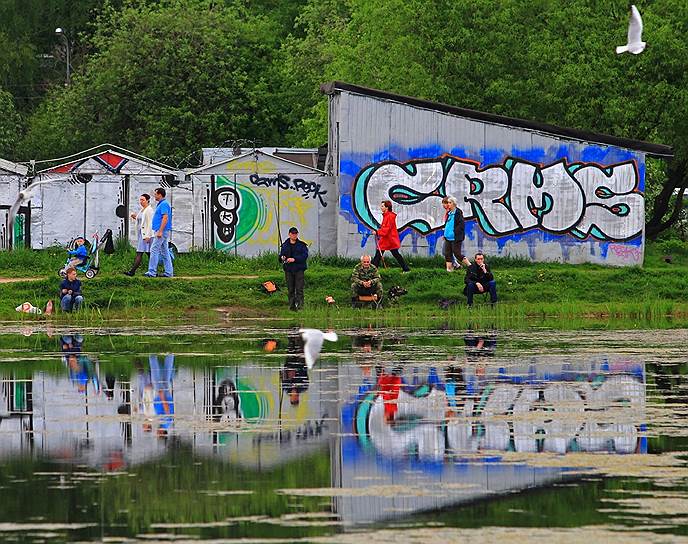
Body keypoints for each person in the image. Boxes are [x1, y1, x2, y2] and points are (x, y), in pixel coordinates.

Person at [373, 200, 410, 272]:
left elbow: (386, 229)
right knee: (381, 254)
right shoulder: (386, 216)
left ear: (387, 207)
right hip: (387, 239)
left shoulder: (389, 217)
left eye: (382, 206)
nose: (381, 207)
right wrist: (378, 232)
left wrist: (377, 232)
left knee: (380, 254)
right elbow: (385, 228)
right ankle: (406, 269)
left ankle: (406, 269)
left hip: (389, 239)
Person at [144, 188, 173, 278]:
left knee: (154, 249)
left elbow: (165, 218)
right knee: (165, 251)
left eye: (155, 194)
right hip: (161, 230)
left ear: (160, 195)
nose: (154, 196)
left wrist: (160, 231)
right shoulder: (161, 204)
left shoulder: (164, 204)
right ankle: (169, 272)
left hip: (162, 231)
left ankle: (152, 272)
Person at [279, 226, 308, 311]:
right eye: (292, 234)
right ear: (289, 234)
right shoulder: (285, 245)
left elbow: (304, 256)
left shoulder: (302, 245)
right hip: (288, 270)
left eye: (296, 234)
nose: (294, 235)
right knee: (290, 289)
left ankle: (300, 307)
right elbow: (281, 256)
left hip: (299, 269)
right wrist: (282, 257)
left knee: (299, 289)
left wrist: (294, 259)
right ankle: (291, 307)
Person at [124, 193, 154, 276]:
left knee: (141, 253)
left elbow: (150, 224)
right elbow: (142, 220)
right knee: (147, 253)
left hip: (146, 235)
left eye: (143, 200)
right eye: (140, 200)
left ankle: (132, 271)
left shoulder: (149, 210)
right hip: (142, 234)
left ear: (147, 200)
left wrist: (148, 236)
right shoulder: (143, 210)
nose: (141, 201)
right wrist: (136, 217)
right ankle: (152, 270)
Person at [442, 196, 471, 272]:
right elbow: (448, 225)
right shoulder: (449, 213)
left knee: (457, 254)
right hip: (448, 237)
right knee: (447, 254)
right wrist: (445, 233)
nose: (448, 204)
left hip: (455, 237)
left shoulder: (458, 212)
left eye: (450, 202)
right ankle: (449, 270)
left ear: (454, 204)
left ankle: (470, 266)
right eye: (447, 202)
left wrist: (454, 232)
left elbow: (461, 225)